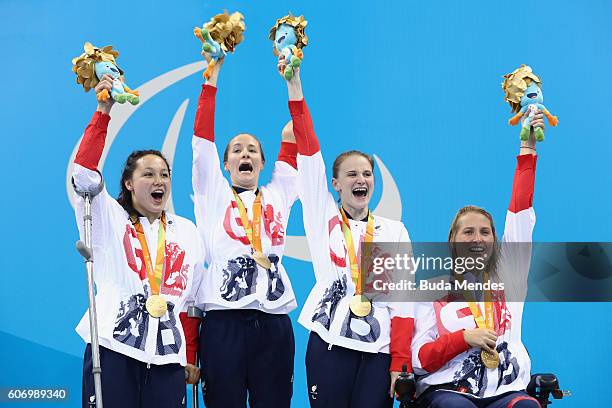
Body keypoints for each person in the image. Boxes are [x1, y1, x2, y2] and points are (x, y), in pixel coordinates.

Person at [282, 58, 414, 407]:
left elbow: (403, 302)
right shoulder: (320, 212)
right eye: (352, 174)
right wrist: (294, 85)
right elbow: (309, 152)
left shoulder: (394, 230)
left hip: (378, 351)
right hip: (329, 342)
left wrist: (400, 362)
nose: (361, 180)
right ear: (335, 184)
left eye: (367, 174)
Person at [73, 74, 205, 408]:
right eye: (148, 174)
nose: (159, 180)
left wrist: (188, 355)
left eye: (164, 174)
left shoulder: (187, 231)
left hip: (167, 359)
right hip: (114, 349)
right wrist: (103, 112)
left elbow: (190, 303)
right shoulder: (109, 217)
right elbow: (84, 173)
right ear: (129, 184)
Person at [183, 50, 299, 408]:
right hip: (223, 323)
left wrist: (293, 80)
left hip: (274, 323)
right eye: (237, 150)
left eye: (252, 150)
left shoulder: (280, 192)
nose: (245, 153)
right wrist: (211, 77)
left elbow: (298, 137)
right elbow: (202, 140)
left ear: (264, 163)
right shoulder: (212, 192)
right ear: (226, 163)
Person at [411, 113, 547, 408]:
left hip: (505, 391)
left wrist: (528, 146)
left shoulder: (509, 280)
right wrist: (464, 338)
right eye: (468, 232)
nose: (477, 238)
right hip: (448, 391)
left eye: (485, 232)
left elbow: (520, 213)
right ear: (452, 241)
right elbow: (419, 360)